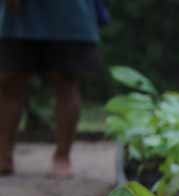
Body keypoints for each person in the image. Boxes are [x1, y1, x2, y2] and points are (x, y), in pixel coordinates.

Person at [0, 0, 103, 177]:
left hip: (70, 13)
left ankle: (62, 156)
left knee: (66, 80)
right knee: (9, 80)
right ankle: (3, 154)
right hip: (17, 18)